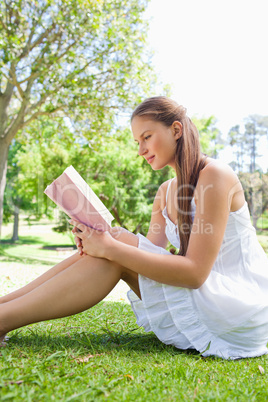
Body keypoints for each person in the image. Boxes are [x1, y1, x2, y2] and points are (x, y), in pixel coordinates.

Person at [1, 96, 268, 359]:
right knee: (114, 240)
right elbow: (150, 254)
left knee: (113, 250)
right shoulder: (165, 191)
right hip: (205, 297)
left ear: (176, 130)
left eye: (147, 137)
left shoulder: (215, 175)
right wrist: (98, 238)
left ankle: (3, 319)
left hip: (234, 308)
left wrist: (110, 247)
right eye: (137, 141)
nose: (140, 150)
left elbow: (195, 274)